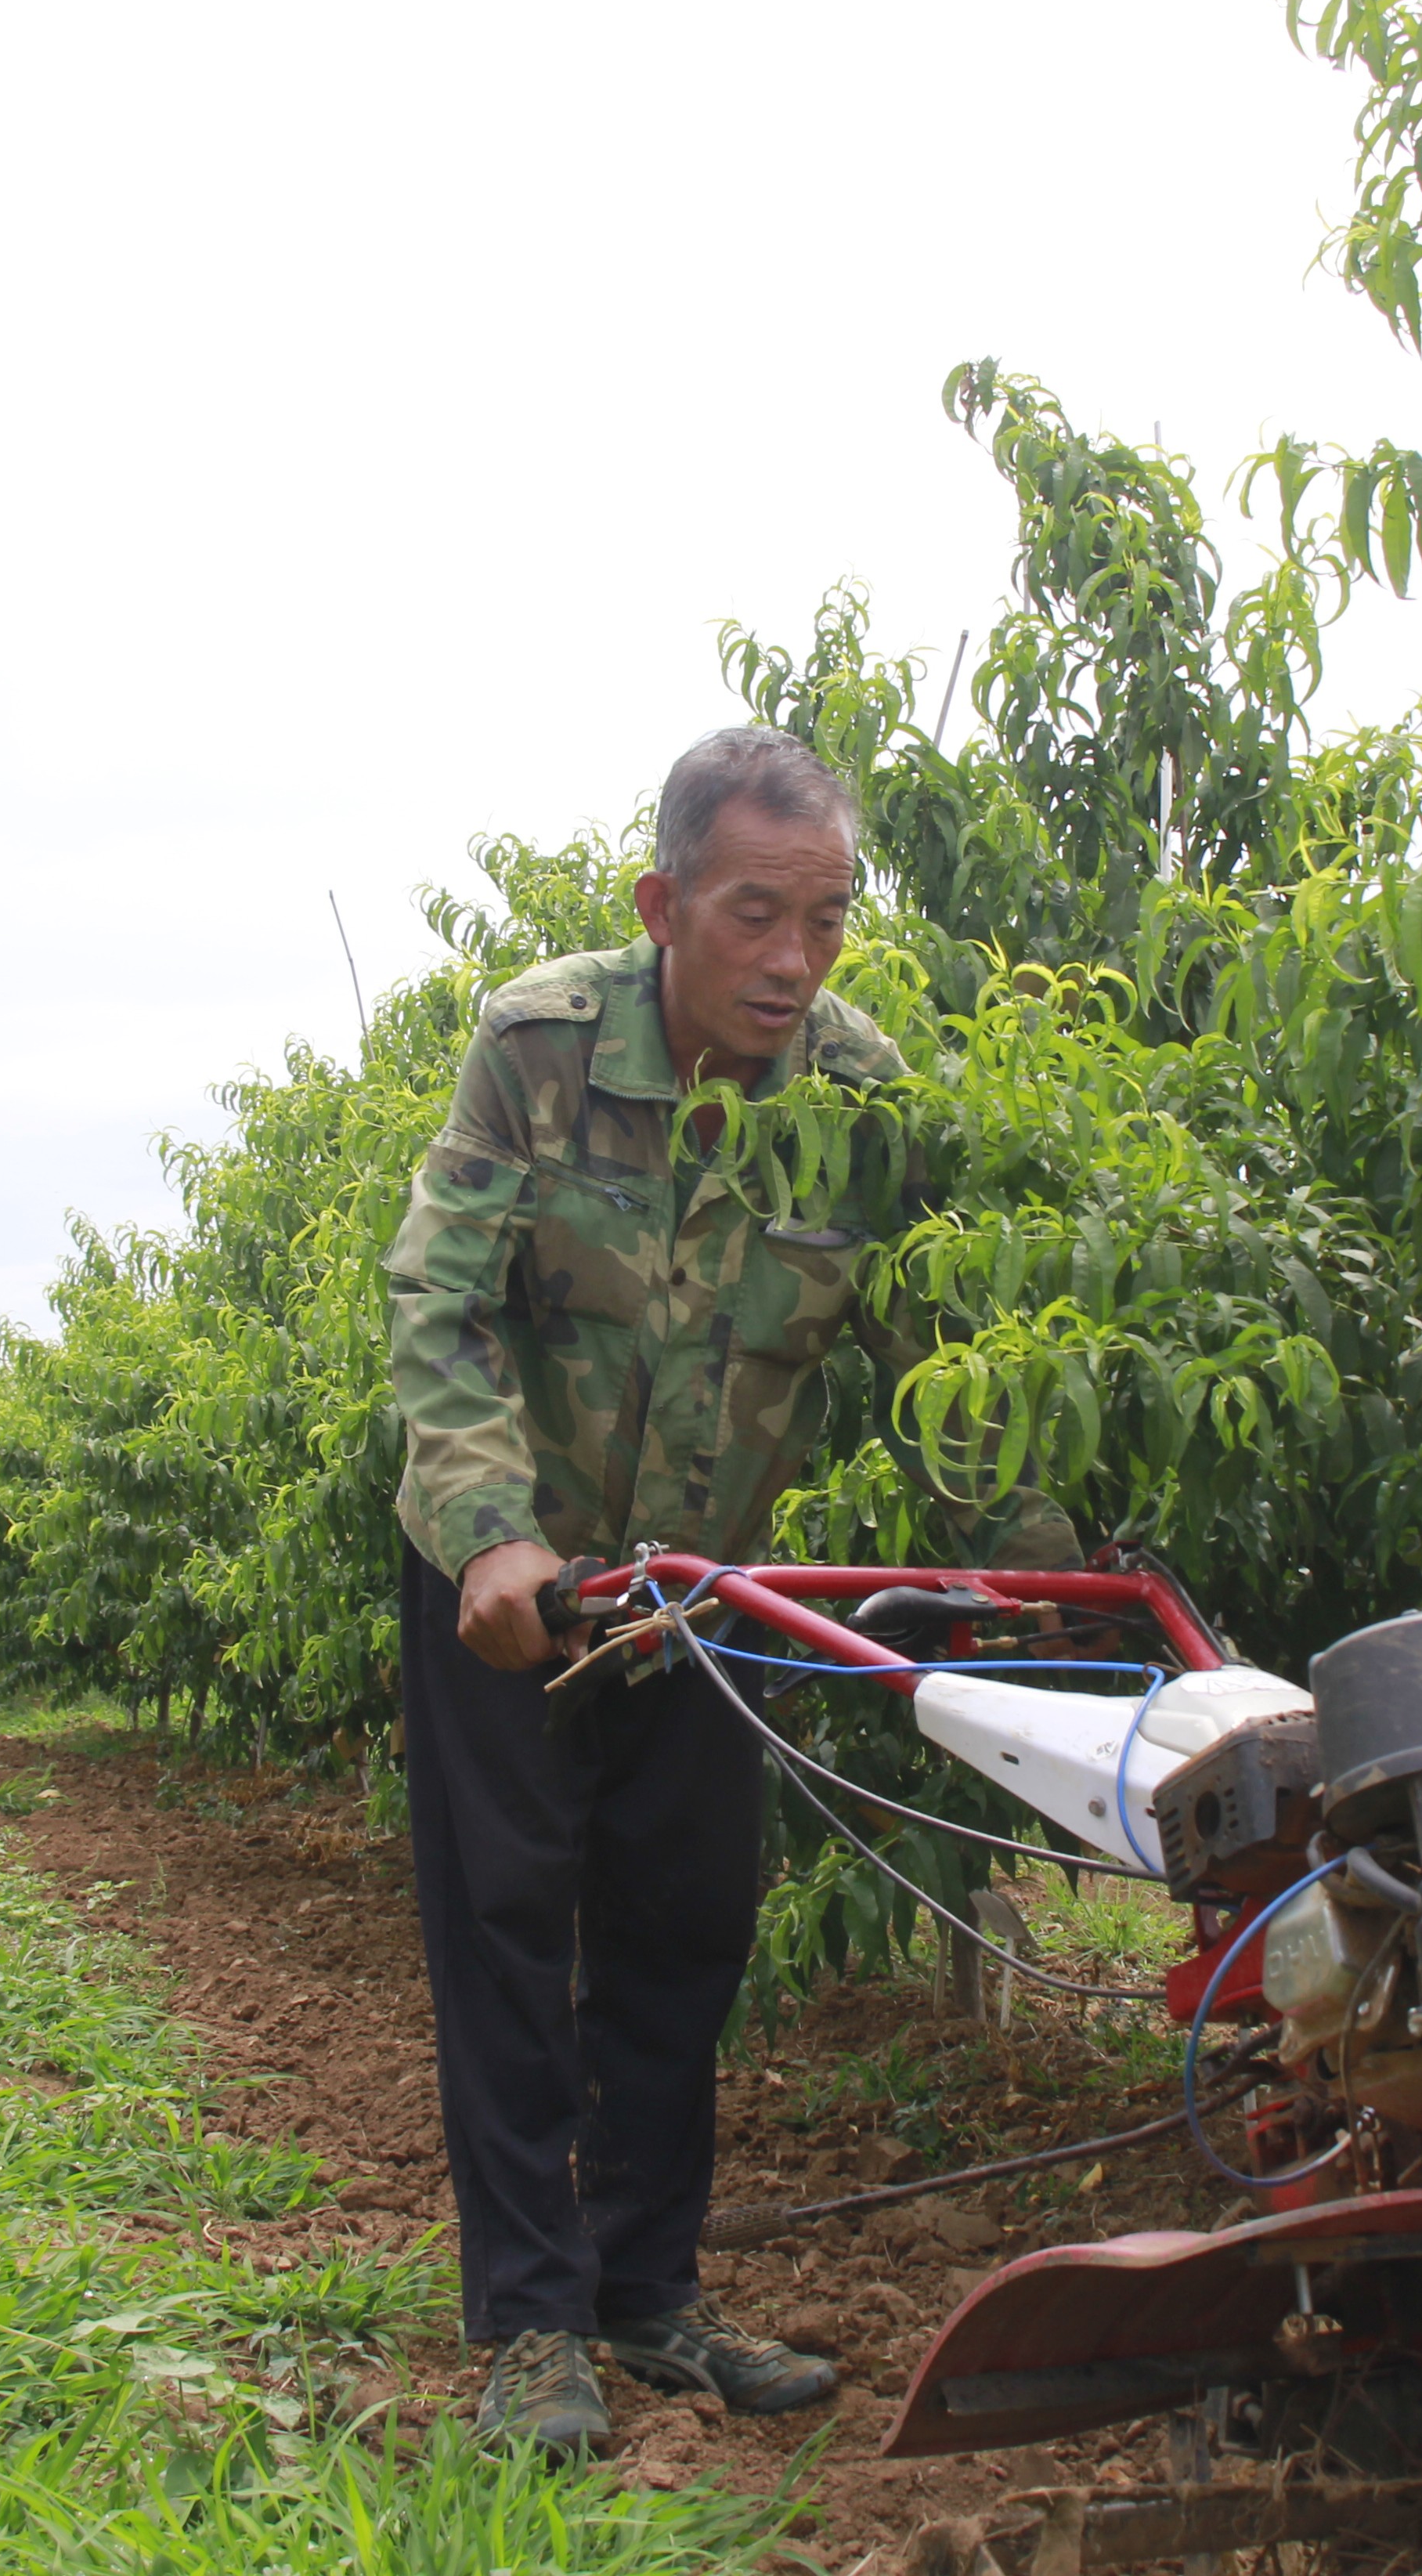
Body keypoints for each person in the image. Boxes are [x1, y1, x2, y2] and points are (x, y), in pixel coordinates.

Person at [384, 724, 1078, 2454]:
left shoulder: (858, 1095)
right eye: (757, 915)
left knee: (685, 1933)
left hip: (707, 1593)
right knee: (508, 1927)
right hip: (515, 1587)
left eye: (828, 919)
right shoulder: (539, 1047)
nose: (793, 959)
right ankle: (532, 2324)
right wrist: (491, 1532)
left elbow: (935, 1361)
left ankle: (650, 2292)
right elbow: (441, 1299)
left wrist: (1047, 1564)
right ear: (665, 900)